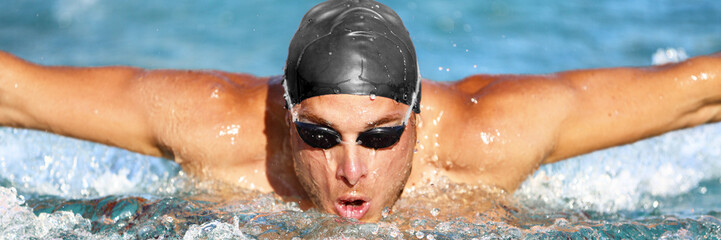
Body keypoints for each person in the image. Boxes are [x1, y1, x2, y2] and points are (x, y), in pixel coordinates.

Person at [0, 0, 719, 222]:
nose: (350, 170)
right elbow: (18, 91)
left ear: (417, 120)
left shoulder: (487, 136)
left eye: (380, 138)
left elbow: (697, 93)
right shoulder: (219, 130)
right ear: (284, 116)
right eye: (319, 135)